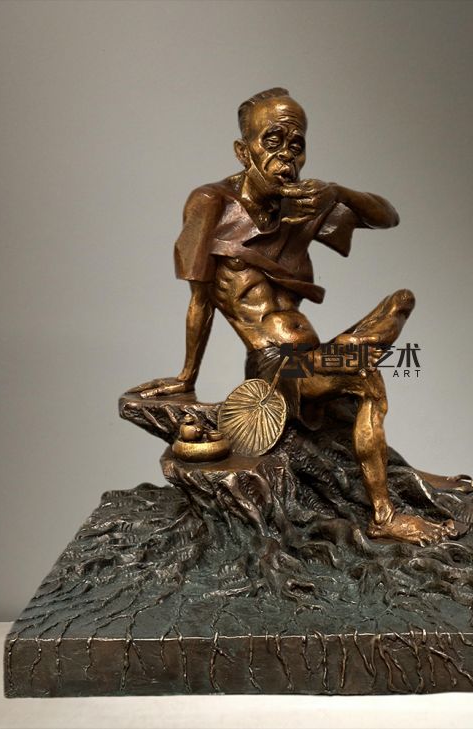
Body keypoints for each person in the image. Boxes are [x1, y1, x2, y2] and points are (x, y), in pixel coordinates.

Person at [140, 88, 456, 546]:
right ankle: (384, 516)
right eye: (273, 140)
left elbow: (387, 216)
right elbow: (200, 300)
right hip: (277, 368)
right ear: (243, 150)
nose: (286, 154)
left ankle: (407, 477)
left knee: (399, 303)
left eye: (297, 143)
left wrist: (338, 193)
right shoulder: (211, 203)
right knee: (365, 377)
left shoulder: (301, 204)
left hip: (311, 358)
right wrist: (187, 375)